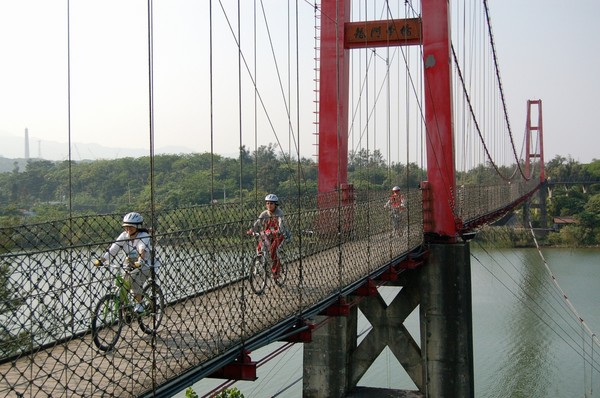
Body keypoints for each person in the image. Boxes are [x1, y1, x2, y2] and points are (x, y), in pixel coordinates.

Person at [93, 212, 154, 313]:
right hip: (129, 264)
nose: (128, 229)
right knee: (122, 284)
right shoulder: (124, 235)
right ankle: (125, 309)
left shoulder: (144, 235)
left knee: (134, 279)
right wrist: (101, 260)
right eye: (126, 227)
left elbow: (141, 248)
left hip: (145, 264)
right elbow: (113, 249)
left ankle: (140, 304)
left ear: (138, 227)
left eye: (131, 227)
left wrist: (140, 261)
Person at [248, 194, 289, 276]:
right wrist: (251, 230)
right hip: (268, 235)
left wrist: (278, 231)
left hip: (279, 235)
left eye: (271, 203)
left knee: (274, 250)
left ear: (275, 204)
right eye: (267, 203)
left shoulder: (279, 213)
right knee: (259, 248)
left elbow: (281, 226)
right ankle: (260, 266)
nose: (269, 205)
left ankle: (276, 272)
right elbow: (257, 222)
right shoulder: (264, 213)